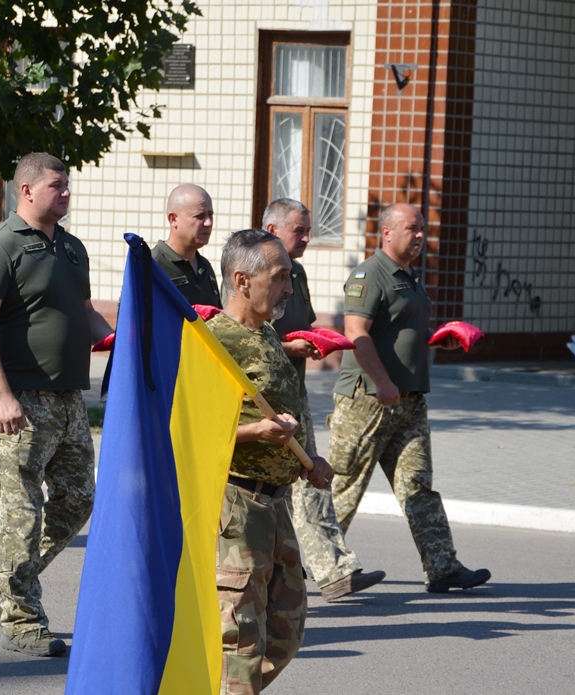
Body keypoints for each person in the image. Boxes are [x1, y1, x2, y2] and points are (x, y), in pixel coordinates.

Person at [0, 152, 112, 657]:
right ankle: (22, 619)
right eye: (57, 185)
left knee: (77, 501)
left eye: (67, 185)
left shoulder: (72, 249)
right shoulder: (0, 247)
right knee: (20, 514)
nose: (66, 193)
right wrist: (0, 394)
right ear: (27, 190)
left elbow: (84, 313)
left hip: (68, 401)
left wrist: (118, 339)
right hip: (20, 402)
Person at [326, 203, 491, 594]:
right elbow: (357, 334)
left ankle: (442, 566)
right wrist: (383, 382)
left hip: (410, 401)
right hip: (368, 400)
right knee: (344, 486)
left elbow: (401, 333)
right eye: (411, 229)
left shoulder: (411, 276)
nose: (419, 236)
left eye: (422, 229)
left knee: (418, 486)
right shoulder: (370, 275)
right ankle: (311, 563)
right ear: (387, 233)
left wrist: (439, 344)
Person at [207, 228, 334, 695]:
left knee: (287, 632)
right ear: (242, 281)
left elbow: (288, 419)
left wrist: (309, 461)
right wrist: (255, 432)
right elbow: (185, 431)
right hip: (236, 505)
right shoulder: (212, 344)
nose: (289, 288)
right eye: (281, 278)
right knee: (240, 642)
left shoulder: (266, 336)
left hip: (277, 507)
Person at [263, 198, 385, 602]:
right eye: (299, 230)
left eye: (308, 230)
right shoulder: (251, 273)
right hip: (261, 396)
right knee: (272, 489)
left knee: (311, 476)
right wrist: (289, 347)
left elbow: (305, 324)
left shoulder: (295, 272)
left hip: (293, 390)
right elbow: (243, 337)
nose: (307, 238)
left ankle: (333, 572)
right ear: (272, 230)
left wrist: (314, 342)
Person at [151, 183, 221, 307]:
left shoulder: (204, 267)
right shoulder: (152, 265)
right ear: (173, 219)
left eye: (210, 215)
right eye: (200, 216)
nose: (208, 223)